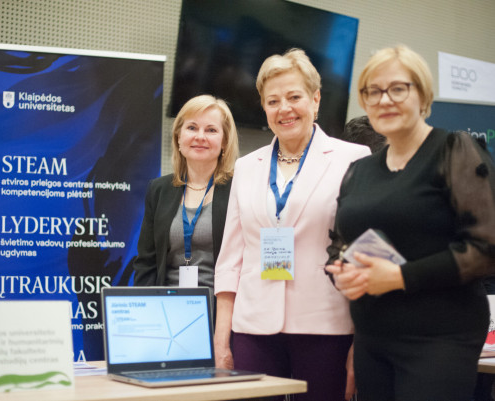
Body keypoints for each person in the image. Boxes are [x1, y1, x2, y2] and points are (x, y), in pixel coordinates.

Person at [325, 45, 495, 401]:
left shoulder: (455, 151)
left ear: (424, 95)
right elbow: (340, 242)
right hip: (372, 337)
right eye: (373, 91)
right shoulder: (359, 170)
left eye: (398, 88)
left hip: (440, 337)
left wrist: (400, 277)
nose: (384, 99)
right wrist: (341, 271)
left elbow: (486, 248)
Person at [213, 48, 370, 401]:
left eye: (294, 97)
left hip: (326, 325)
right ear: (264, 107)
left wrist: (363, 341)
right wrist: (222, 338)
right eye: (273, 101)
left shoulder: (353, 159)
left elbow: (364, 256)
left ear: (315, 99)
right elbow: (231, 260)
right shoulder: (246, 167)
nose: (284, 108)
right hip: (253, 327)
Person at [132, 94, 239, 289]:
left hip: (221, 303)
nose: (200, 136)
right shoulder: (159, 189)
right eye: (192, 128)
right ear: (178, 137)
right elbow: (146, 263)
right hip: (167, 303)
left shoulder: (239, 188)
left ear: (224, 141)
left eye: (211, 130)